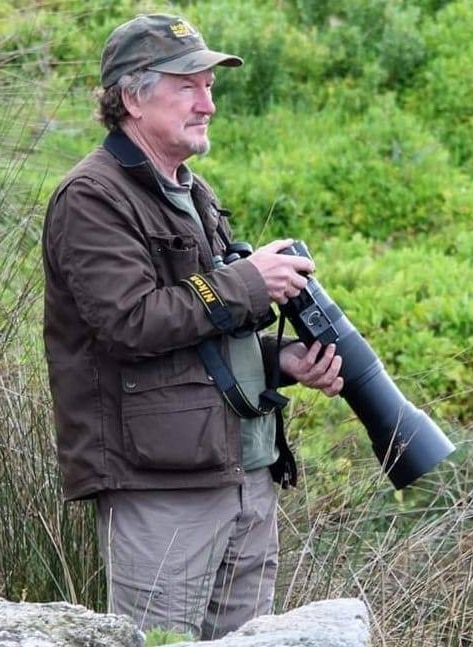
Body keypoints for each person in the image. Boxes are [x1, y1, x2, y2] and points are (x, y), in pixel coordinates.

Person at [42, 13, 343, 640]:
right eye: (189, 86)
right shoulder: (92, 197)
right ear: (131, 96)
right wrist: (249, 282)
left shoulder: (190, 189)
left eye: (210, 87)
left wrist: (278, 361)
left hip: (244, 479)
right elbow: (129, 323)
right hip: (161, 492)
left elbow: (202, 330)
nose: (208, 104)